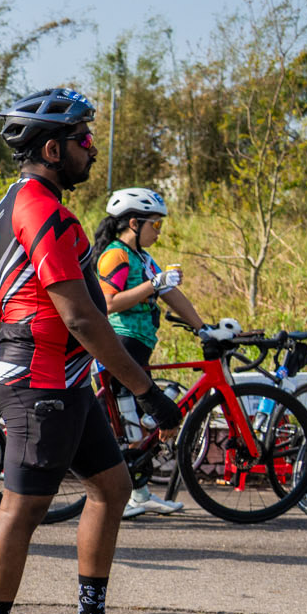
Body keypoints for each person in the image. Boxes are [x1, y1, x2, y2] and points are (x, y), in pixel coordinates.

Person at [0, 88, 184, 614]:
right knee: (23, 508)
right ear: (52, 149)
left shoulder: (19, 203)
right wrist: (146, 391)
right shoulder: (44, 211)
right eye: (83, 139)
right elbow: (83, 316)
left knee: (111, 488)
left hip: (62, 380)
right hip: (41, 381)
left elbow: (10, 298)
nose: (91, 148)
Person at [93, 186, 209, 518]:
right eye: (155, 224)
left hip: (139, 344)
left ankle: (140, 495)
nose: (159, 231)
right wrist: (153, 284)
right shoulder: (115, 255)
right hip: (121, 342)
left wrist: (203, 328)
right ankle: (128, 495)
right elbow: (109, 302)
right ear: (134, 223)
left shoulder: (143, 258)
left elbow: (172, 295)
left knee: (134, 421)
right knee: (138, 415)